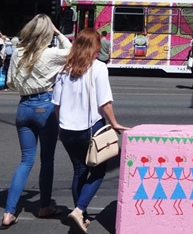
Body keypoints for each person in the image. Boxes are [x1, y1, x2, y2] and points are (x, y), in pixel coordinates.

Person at [52, 28, 129, 233]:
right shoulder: (98, 68)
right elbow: (105, 102)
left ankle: (81, 215)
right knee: (98, 170)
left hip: (67, 129)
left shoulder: (64, 69)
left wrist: (60, 128)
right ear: (94, 47)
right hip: (90, 128)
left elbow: (56, 105)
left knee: (79, 170)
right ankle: (80, 210)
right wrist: (114, 123)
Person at [0, 14, 72, 229]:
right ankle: (44, 206)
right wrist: (59, 34)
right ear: (47, 33)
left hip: (24, 107)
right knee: (46, 160)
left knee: (26, 160)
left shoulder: (18, 53)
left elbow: (11, 82)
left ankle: (8, 212)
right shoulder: (50, 54)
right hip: (45, 105)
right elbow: (71, 51)